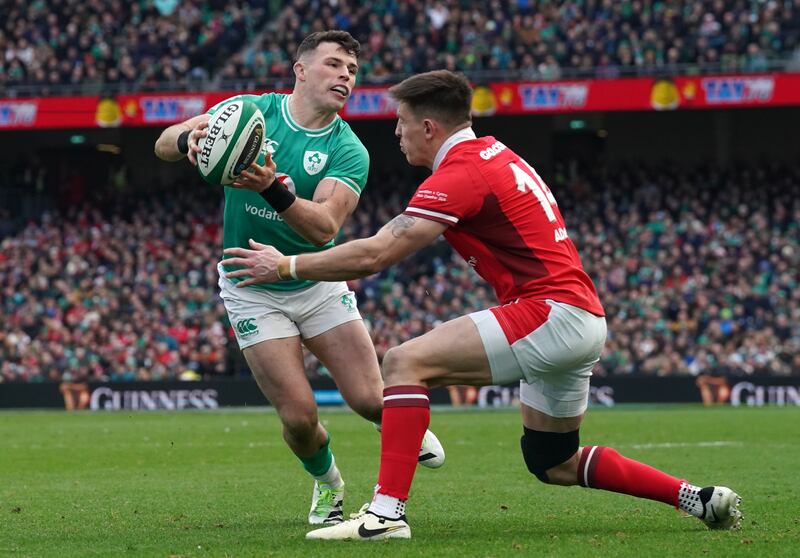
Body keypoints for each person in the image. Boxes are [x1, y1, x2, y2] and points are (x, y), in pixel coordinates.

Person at [220, 70, 743, 540]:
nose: (396, 134)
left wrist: (285, 266)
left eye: (401, 123)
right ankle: (692, 497)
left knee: (403, 363)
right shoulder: (497, 152)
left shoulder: (461, 172)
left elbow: (378, 253)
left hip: (549, 312)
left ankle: (385, 515)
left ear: (428, 127)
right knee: (553, 461)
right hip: (581, 318)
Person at [154, 31, 444, 526]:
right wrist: (188, 139)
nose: (345, 77)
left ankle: (393, 421)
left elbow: (325, 227)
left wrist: (271, 187)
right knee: (298, 418)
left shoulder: (349, 149)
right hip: (250, 286)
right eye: (333, 65)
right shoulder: (248, 112)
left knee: (371, 399)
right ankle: (329, 485)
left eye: (351, 70)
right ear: (301, 70)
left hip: (315, 281)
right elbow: (161, 144)